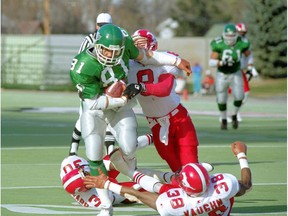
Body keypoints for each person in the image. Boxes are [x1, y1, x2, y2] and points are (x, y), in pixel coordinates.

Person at [69, 23, 192, 216]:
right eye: (107, 51)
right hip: (96, 108)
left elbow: (149, 57)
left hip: (120, 105)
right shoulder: (83, 65)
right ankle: (105, 206)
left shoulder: (126, 44)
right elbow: (93, 103)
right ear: (97, 45)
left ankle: (127, 162)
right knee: (94, 154)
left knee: (129, 147)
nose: (111, 56)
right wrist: (120, 98)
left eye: (115, 52)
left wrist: (176, 61)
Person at [83, 141, 252, 216]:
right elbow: (246, 184)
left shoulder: (176, 205)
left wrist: (106, 183)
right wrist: (241, 155)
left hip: (186, 207)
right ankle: (130, 170)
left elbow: (142, 195)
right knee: (165, 188)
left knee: (160, 188)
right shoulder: (224, 186)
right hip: (208, 205)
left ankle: (128, 170)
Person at [126, 29, 199, 172]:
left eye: (141, 42)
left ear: (151, 45)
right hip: (156, 124)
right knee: (176, 169)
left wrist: (141, 87)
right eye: (135, 43)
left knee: (191, 167)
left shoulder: (165, 60)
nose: (138, 47)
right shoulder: (128, 66)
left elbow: (164, 89)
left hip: (178, 119)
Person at [70, 12, 114, 156]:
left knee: (109, 118)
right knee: (84, 115)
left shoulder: (114, 39)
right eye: (101, 26)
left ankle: (110, 153)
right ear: (96, 26)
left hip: (107, 82)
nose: (102, 28)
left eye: (105, 26)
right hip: (92, 82)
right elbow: (81, 59)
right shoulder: (89, 39)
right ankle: (73, 151)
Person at [209, 23, 255, 130]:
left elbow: (249, 54)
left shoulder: (241, 43)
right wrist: (221, 63)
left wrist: (250, 67)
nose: (229, 38)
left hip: (236, 72)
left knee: (240, 96)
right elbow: (211, 61)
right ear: (224, 35)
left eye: (231, 36)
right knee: (221, 98)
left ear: (236, 35)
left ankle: (234, 114)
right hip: (222, 74)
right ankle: (223, 119)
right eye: (227, 36)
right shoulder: (218, 43)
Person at [234, 22, 258, 122]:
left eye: (243, 33)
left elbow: (249, 55)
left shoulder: (244, 42)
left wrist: (251, 67)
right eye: (240, 32)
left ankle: (235, 112)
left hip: (240, 70)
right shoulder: (230, 42)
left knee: (245, 92)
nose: (242, 34)